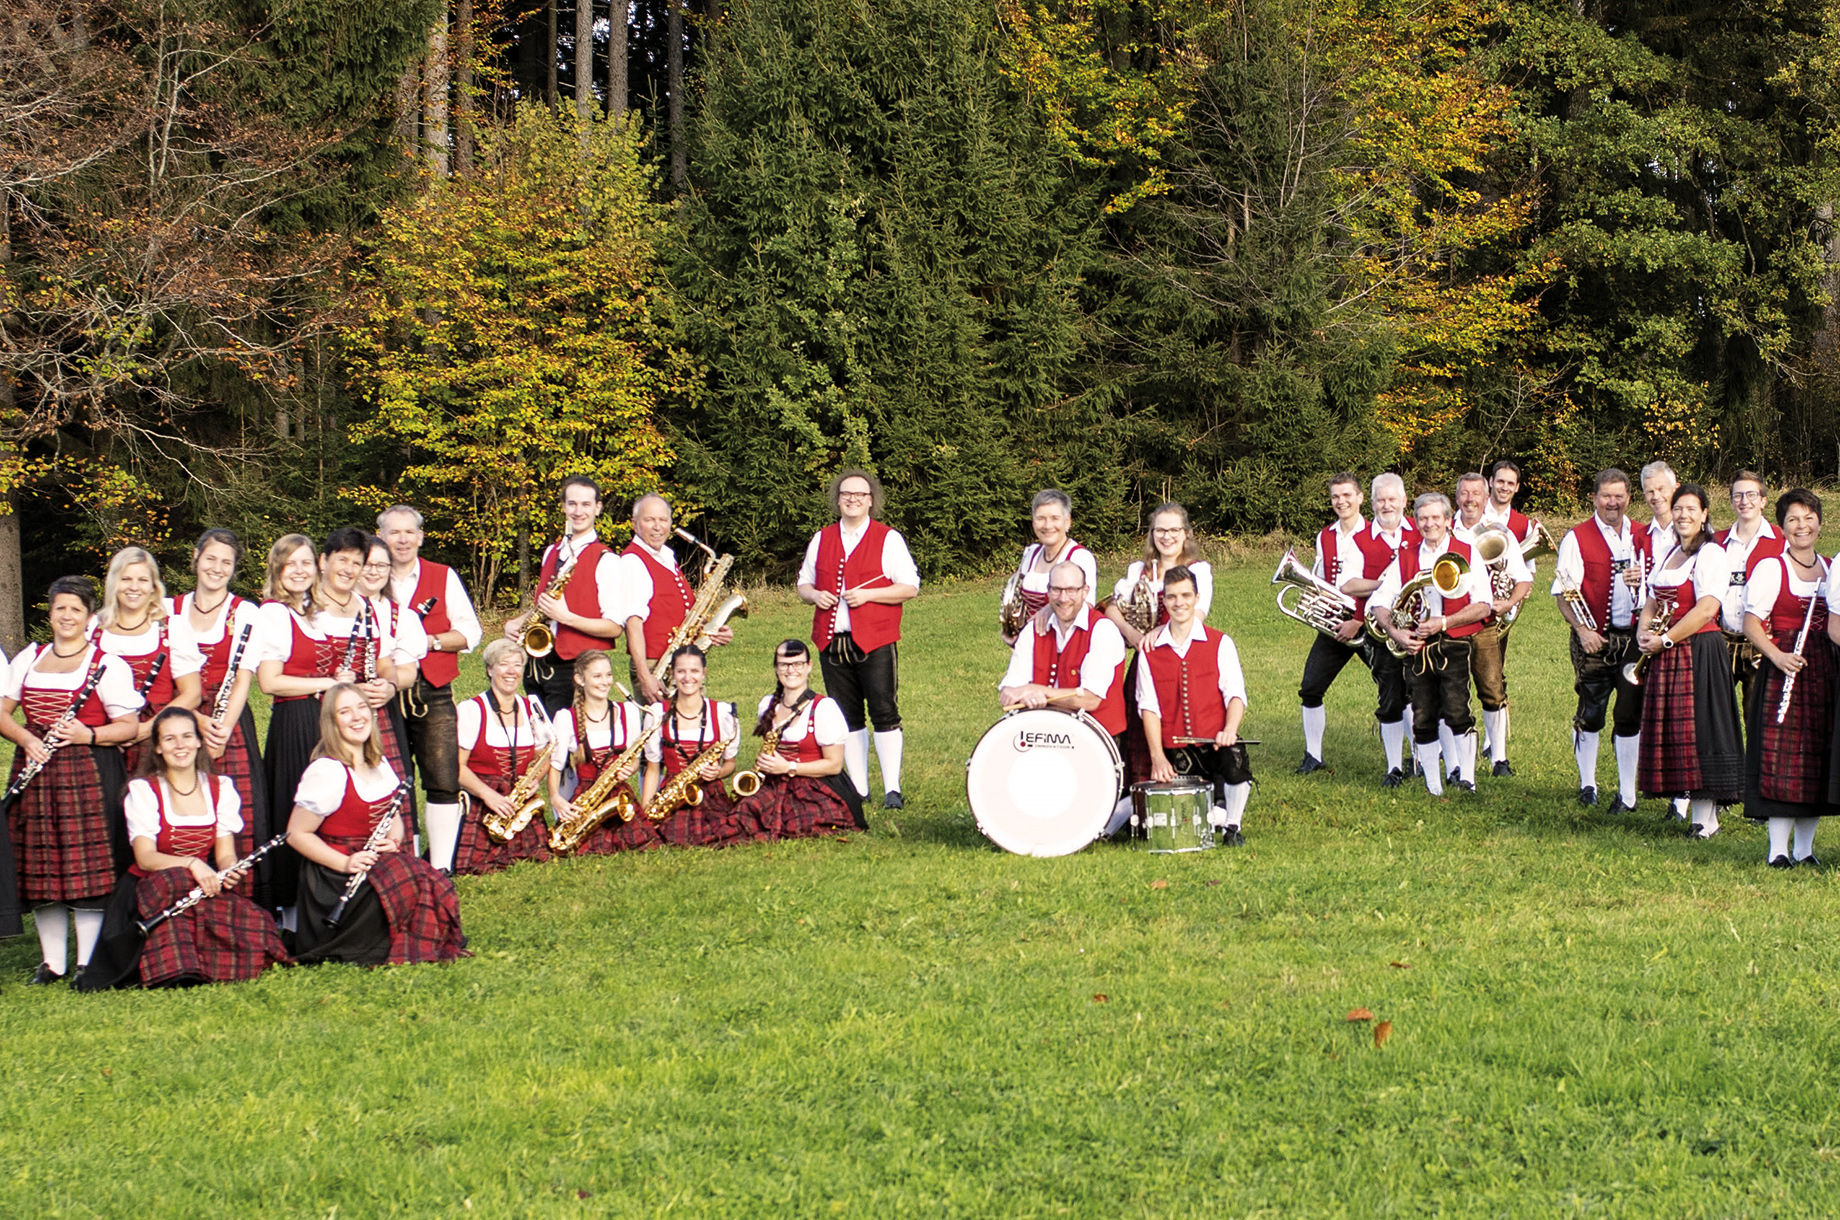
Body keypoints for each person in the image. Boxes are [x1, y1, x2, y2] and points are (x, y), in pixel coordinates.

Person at [76, 707, 288, 991]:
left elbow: (225, 853)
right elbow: (146, 857)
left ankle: (196, 962)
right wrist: (192, 863)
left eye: (187, 736)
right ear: (158, 748)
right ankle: (177, 966)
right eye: (170, 739)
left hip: (198, 885)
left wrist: (228, 870)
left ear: (199, 741)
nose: (180, 745)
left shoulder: (220, 788)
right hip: (150, 886)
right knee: (175, 879)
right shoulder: (144, 790)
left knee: (258, 926)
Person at [0, 577, 144, 983]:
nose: (67, 616)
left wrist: (88, 734)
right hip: (37, 772)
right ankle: (52, 963)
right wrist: (27, 738)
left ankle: (84, 962)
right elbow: (2, 713)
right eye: (60, 608)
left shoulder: (106, 664)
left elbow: (129, 726)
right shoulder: (28, 658)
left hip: (87, 775)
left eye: (75, 610)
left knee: (87, 872)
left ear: (89, 617)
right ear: (50, 613)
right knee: (42, 868)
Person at [286, 684, 466, 965]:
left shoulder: (378, 762)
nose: (357, 717)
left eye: (361, 708)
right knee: (410, 883)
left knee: (432, 881)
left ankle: (415, 941)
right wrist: (345, 863)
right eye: (345, 712)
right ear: (332, 723)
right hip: (335, 876)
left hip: (376, 860)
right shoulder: (327, 771)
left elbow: (394, 820)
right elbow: (297, 834)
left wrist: (393, 841)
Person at [796, 470, 921, 810]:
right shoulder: (821, 538)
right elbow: (803, 584)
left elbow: (909, 587)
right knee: (847, 716)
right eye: (846, 493)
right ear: (837, 499)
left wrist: (869, 595)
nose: (852, 499)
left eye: (860, 494)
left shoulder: (888, 538)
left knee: (884, 712)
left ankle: (892, 789)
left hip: (876, 638)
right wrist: (814, 595)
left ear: (870, 500)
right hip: (831, 642)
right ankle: (860, 790)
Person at [379, 505, 481, 876]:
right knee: (392, 777)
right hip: (384, 691)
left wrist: (429, 642)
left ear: (421, 537)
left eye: (410, 532)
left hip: (433, 689)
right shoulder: (370, 577)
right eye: (394, 532)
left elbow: (471, 633)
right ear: (380, 536)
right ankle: (406, 859)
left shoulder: (443, 575)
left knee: (442, 776)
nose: (402, 539)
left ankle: (440, 866)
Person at [1300, 472, 1420, 784]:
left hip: (1369, 624)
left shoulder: (1374, 530)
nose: (1341, 502)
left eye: (1347, 495)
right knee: (1311, 686)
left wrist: (1357, 618)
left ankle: (1416, 755)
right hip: (1335, 624)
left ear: (1360, 499)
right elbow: (1324, 576)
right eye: (1335, 497)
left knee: (1397, 690)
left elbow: (1384, 586)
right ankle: (1313, 755)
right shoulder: (1325, 535)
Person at [1635, 484, 1741, 837]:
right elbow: (1652, 598)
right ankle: (1700, 818)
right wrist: (1643, 631)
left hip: (1698, 648)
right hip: (1668, 651)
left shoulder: (1711, 554)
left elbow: (1708, 607)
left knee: (1703, 732)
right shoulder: (1669, 551)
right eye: (1678, 508)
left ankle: (1706, 819)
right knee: (1681, 733)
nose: (1683, 515)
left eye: (1691, 509)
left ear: (1705, 514)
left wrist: (1665, 639)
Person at [1372, 493, 1493, 794]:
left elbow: (1484, 605)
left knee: (1458, 712)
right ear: (1415, 521)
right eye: (1423, 518)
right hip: (1417, 647)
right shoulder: (1406, 557)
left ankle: (1467, 781)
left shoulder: (1466, 553)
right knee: (1423, 716)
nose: (1429, 524)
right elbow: (1378, 604)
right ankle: (1434, 787)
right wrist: (1397, 633)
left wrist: (1444, 623)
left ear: (1448, 520)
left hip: (1454, 642)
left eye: (1435, 518)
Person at [1000, 560, 1131, 833]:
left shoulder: (1103, 631)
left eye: (1071, 590)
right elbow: (1008, 692)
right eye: (1057, 590)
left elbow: (1090, 700)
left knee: (1077, 820)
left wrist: (1041, 693)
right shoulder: (1032, 632)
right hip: (1045, 737)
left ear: (1085, 591)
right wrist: (1015, 693)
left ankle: (1119, 807)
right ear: (1048, 592)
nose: (1063, 598)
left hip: (1096, 741)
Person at [256, 533, 347, 919]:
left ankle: (323, 898)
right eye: (289, 563)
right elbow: (269, 681)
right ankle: (289, 912)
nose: (298, 570)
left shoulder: (313, 612)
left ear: (316, 568)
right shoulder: (274, 614)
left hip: (323, 722)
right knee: (297, 806)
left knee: (326, 806)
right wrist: (324, 683)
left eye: (305, 562)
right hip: (294, 722)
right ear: (277, 568)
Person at [1551, 468, 1653, 811]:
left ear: (1629, 498)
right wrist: (1583, 631)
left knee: (1629, 715)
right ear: (1594, 498)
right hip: (1594, 639)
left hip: (1635, 640)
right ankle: (1588, 784)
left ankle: (1628, 794)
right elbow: (1563, 594)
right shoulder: (1577, 537)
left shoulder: (1644, 534)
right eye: (1606, 496)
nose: (1613, 502)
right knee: (1591, 713)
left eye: (1619, 496)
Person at [1742, 489, 1832, 867]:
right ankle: (1778, 850)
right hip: (1785, 671)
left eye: (1809, 517)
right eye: (1793, 519)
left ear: (1820, 524)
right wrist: (1777, 656)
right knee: (1783, 759)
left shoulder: (1831, 567)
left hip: (1825, 671)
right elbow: (1750, 624)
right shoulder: (1771, 568)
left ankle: (1805, 850)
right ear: (1782, 527)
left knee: (1815, 757)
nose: (1802, 526)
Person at [316, 529, 419, 848]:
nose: (350, 569)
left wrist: (387, 685)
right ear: (324, 562)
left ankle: (394, 853)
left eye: (356, 562)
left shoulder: (368, 608)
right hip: (319, 710)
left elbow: (386, 661)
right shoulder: (307, 606)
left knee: (379, 782)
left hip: (368, 710)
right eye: (342, 560)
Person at [1137, 565, 1253, 844]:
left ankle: (1233, 825)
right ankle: (1217, 810)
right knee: (1182, 808)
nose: (1179, 603)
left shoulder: (1220, 642)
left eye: (1186, 595)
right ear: (1163, 601)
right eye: (1172, 596)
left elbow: (1236, 694)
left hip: (1215, 740)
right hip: (1177, 747)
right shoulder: (1150, 651)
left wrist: (1229, 730)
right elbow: (1149, 707)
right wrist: (1157, 757)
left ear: (1197, 597)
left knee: (1234, 756)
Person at [1106, 503, 1208, 787]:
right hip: (1144, 658)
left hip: (1180, 659)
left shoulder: (1198, 569)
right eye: (1160, 530)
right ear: (1151, 534)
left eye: (1174, 529)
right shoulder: (1138, 570)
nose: (1167, 536)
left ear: (1185, 533)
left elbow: (1196, 615)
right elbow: (1112, 608)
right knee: (1139, 724)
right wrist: (1135, 636)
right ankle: (1137, 791)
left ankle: (1188, 786)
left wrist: (1160, 631)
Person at [505, 476, 625, 716]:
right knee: (539, 735)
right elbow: (544, 605)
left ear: (598, 508)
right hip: (537, 664)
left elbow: (614, 628)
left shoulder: (607, 560)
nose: (578, 511)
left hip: (578, 667)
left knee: (567, 742)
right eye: (572, 504)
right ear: (563, 507)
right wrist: (518, 622)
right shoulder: (551, 551)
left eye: (586, 504)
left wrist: (566, 617)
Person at [730, 639, 861, 839]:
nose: (791, 670)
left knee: (801, 823)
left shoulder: (824, 708)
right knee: (744, 815)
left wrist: (788, 767)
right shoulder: (767, 704)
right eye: (784, 664)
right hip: (777, 782)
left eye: (798, 664)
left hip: (818, 785)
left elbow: (834, 766)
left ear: (809, 666)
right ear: (776, 668)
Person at [618, 491, 736, 705]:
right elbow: (633, 624)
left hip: (682, 662)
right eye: (649, 520)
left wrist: (713, 630)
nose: (657, 527)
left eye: (663, 520)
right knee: (661, 734)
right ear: (635, 524)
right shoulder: (632, 561)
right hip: (657, 666)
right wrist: (645, 677)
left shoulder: (665, 555)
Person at [93, 546, 203, 773]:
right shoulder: (93, 628)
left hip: (154, 739)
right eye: (126, 579)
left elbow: (192, 694)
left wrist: (144, 729)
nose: (134, 587)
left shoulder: (171, 628)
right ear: (114, 583)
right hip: (102, 739)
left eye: (143, 580)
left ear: (154, 586)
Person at [1453, 471, 1534, 779]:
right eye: (1464, 493)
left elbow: (1523, 578)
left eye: (1476, 494)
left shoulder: (1499, 533)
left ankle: (1499, 757)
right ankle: (1454, 758)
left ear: (1486, 498)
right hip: (1450, 623)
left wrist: (1508, 602)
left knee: (1492, 688)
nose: (1470, 499)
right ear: (1457, 496)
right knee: (1451, 691)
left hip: (1485, 622)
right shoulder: (1445, 530)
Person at [453, 638, 555, 873]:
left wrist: (534, 781)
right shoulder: (471, 709)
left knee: (537, 856)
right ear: (489, 670)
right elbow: (457, 767)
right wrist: (489, 796)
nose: (511, 671)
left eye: (518, 665)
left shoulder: (532, 708)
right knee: (476, 863)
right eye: (503, 664)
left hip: (520, 800)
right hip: (484, 800)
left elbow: (543, 756)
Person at [548, 651, 663, 855]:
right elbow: (555, 766)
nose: (605, 682)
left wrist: (631, 768)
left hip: (619, 797)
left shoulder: (627, 711)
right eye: (597, 676)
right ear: (580, 679)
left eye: (608, 675)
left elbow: (634, 759)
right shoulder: (566, 718)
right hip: (587, 800)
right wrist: (556, 799)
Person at [1471, 460, 1545, 775]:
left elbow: (1527, 570)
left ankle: (1494, 744)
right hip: (1470, 605)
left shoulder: (1523, 523)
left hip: (1500, 610)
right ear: (1491, 483)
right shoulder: (1474, 512)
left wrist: (1514, 597)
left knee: (1494, 675)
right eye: (1499, 481)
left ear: (1516, 488)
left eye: (1510, 484)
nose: (1503, 487)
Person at [640, 646, 744, 846]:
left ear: (704, 673)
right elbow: (653, 768)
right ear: (672, 674)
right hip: (673, 795)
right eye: (681, 671)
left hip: (709, 793)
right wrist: (646, 812)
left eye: (694, 671)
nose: (688, 678)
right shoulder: (657, 714)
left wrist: (718, 772)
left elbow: (730, 764)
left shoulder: (722, 713)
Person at [1715, 472, 1783, 715]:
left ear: (1763, 500)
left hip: (1762, 641)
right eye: (1738, 495)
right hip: (1722, 639)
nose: (1745, 501)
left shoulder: (1781, 540)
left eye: (1751, 494)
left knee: (1758, 716)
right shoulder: (1716, 541)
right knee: (1716, 716)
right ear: (1732, 501)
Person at [1004, 489, 1099, 642]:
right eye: (1041, 518)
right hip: (1029, 643)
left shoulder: (1080, 557)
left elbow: (1087, 606)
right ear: (1033, 522)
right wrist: (1012, 629)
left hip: (1065, 642)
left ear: (1067, 521)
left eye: (1055, 518)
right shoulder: (1031, 553)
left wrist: (1050, 608)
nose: (1047, 525)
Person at [1640, 460, 1680, 560]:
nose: (1656, 496)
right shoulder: (1638, 539)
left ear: (1676, 489)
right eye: (1650, 491)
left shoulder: (1697, 531)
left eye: (1661, 489)